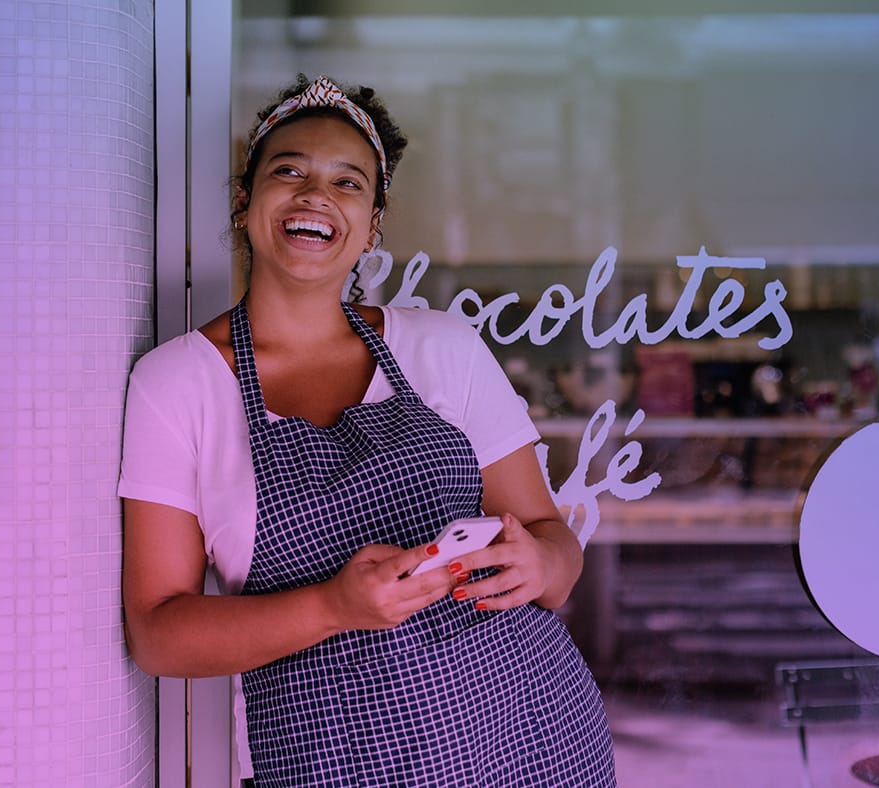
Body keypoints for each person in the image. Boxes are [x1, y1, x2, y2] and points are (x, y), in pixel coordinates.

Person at [119, 74, 617, 787]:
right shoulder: (178, 385)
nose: (315, 195)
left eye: (347, 182)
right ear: (245, 199)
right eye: (288, 170)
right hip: (332, 763)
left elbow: (550, 540)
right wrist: (332, 606)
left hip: (532, 735)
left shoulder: (443, 348)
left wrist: (540, 566)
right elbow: (158, 635)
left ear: (373, 223)